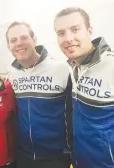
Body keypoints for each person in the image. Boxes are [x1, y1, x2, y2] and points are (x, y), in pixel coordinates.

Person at [6, 21, 72, 168]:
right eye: (13, 40)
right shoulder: (11, 75)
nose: (19, 43)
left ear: (34, 40)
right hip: (23, 156)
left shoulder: (62, 69)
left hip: (57, 157)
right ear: (9, 46)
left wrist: (71, 152)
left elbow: (74, 114)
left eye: (24, 37)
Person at [54, 7, 114, 168]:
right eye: (61, 33)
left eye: (75, 30)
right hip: (80, 161)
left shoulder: (111, 66)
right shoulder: (74, 67)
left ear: (89, 30)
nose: (68, 38)